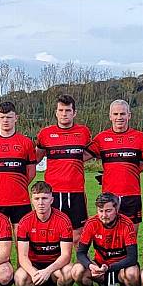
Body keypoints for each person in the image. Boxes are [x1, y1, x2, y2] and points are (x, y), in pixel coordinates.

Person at [72, 192, 143, 286]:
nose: (104, 215)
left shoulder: (126, 224)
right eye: (100, 211)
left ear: (117, 209)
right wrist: (91, 266)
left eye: (108, 211)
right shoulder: (91, 223)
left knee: (132, 273)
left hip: (121, 268)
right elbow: (80, 253)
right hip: (100, 267)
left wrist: (110, 268)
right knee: (76, 270)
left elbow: (132, 257)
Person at [35, 94, 92, 241]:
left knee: (78, 234)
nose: (64, 114)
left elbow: (89, 153)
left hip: (76, 191)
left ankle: (78, 264)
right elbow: (36, 158)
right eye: (61, 110)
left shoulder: (84, 132)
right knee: (52, 232)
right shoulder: (45, 134)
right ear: (56, 112)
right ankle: (55, 264)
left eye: (67, 110)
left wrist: (73, 158)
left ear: (74, 112)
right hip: (53, 191)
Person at [13, 181, 76, 286]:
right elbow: (23, 256)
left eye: (44, 198)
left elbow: (66, 256)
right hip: (34, 265)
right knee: (20, 278)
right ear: (32, 200)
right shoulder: (25, 222)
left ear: (52, 199)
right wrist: (33, 272)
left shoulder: (63, 220)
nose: (41, 203)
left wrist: (47, 271)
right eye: (37, 199)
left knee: (70, 271)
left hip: (55, 265)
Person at [88, 99, 143, 224]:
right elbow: (81, 156)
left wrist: (128, 172)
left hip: (132, 195)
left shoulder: (141, 138)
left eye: (123, 114)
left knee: (131, 238)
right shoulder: (101, 138)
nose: (119, 117)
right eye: (115, 114)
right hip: (109, 196)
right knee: (109, 237)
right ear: (110, 116)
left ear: (129, 115)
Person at [0, 101, 37, 228]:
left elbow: (32, 172)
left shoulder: (26, 142)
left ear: (16, 118)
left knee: (22, 242)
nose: (5, 120)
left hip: (21, 201)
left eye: (9, 117)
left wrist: (18, 184)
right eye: (2, 117)